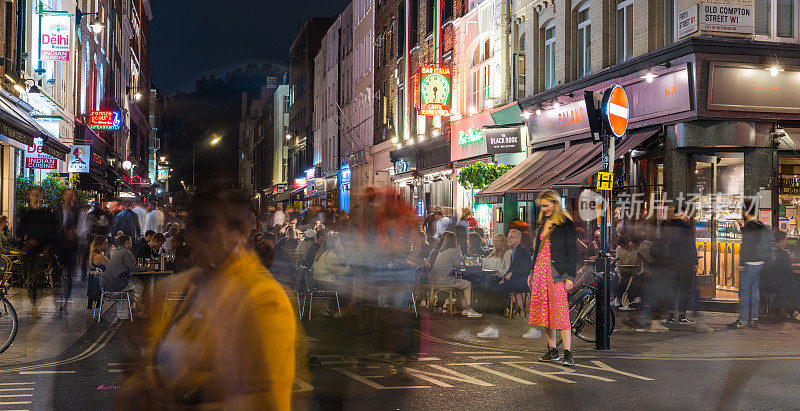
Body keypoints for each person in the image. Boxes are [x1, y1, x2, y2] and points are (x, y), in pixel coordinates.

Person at [126, 186, 298, 408]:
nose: (188, 244)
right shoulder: (183, 286)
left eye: (192, 235)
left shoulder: (265, 299)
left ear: (216, 235)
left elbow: (267, 399)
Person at [528, 190, 577, 366]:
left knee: (560, 312)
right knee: (545, 312)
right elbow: (536, 251)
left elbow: (572, 251)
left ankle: (568, 353)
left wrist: (570, 276)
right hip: (540, 271)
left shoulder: (566, 223)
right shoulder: (542, 223)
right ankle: (552, 350)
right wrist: (532, 272)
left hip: (557, 273)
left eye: (546, 206)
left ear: (555, 203)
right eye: (541, 206)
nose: (544, 209)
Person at [728, 199, 771, 329]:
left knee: (744, 293)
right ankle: (754, 319)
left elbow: (746, 246)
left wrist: (742, 263)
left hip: (749, 264)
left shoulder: (749, 227)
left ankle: (742, 320)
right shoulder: (761, 225)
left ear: (745, 211)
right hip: (760, 263)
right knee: (755, 292)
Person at [17, 187, 56, 318]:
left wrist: (43, 245)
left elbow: (50, 232)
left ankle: (35, 306)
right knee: (29, 278)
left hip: (40, 250)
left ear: (41, 197)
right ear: (30, 197)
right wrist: (24, 239)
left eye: (37, 195)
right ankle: (33, 304)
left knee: (35, 278)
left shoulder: (46, 213)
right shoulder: (26, 213)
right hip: (28, 250)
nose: (35, 197)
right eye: (33, 195)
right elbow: (21, 229)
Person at [663, 204, 699, 325]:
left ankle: (671, 316)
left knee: (671, 290)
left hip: (670, 264)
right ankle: (682, 316)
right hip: (684, 264)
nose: (688, 216)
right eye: (686, 213)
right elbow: (691, 245)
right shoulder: (685, 227)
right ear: (681, 212)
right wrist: (695, 262)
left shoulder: (667, 226)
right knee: (684, 290)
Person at [431, 231, 481, 317]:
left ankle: (465, 309)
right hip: (444, 281)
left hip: (435, 280)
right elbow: (458, 265)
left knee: (460, 285)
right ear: (454, 241)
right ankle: (469, 309)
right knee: (467, 284)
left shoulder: (441, 251)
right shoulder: (452, 251)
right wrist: (459, 252)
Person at [52, 189, 81, 316]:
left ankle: (65, 304)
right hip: (58, 246)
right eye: (67, 195)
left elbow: (83, 228)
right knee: (56, 276)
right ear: (63, 196)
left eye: (71, 196)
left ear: (74, 198)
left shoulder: (78, 212)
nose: (69, 198)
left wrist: (75, 233)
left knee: (69, 276)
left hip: (71, 247)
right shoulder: (57, 211)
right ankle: (57, 306)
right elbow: (52, 227)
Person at [103, 234, 145, 318]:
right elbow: (134, 268)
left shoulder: (116, 251)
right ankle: (135, 308)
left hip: (108, 284)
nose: (132, 243)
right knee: (139, 284)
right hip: (118, 284)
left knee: (131, 287)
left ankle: (124, 314)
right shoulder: (126, 252)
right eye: (131, 241)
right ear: (127, 243)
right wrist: (146, 268)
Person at [761, 230, 800, 320]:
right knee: (795, 288)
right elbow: (788, 272)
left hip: (765, 283)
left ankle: (787, 311)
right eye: (786, 239)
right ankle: (794, 312)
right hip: (778, 285)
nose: (786, 242)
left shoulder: (768, 251)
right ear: (782, 240)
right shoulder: (784, 254)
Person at [87, 235, 110, 310]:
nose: (107, 244)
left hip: (99, 284)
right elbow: (112, 267)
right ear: (99, 246)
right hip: (104, 285)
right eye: (105, 243)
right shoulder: (99, 257)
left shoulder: (95, 255)